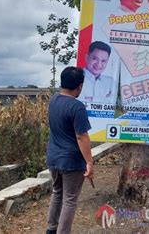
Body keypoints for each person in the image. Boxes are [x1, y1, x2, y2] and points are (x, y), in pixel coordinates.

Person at [46, 67, 94, 234]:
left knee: (57, 193)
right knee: (70, 200)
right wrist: (89, 162)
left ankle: (51, 229)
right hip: (71, 161)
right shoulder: (77, 107)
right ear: (79, 86)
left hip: (53, 158)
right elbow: (82, 137)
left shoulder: (53, 100)